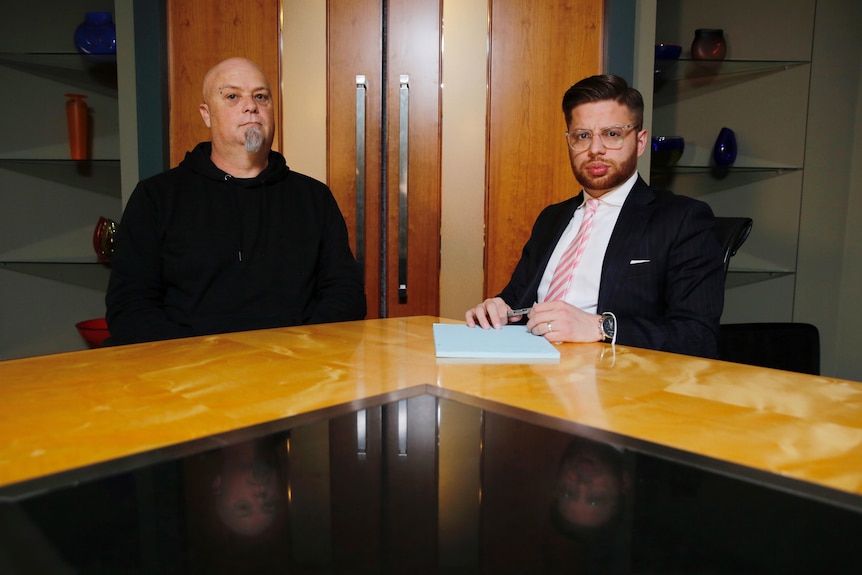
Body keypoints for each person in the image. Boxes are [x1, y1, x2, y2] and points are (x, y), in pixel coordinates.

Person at [106, 57, 366, 345]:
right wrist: (199, 360)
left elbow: (346, 296)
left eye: (261, 97)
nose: (251, 106)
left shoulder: (314, 198)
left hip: (295, 368)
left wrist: (300, 348)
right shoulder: (156, 198)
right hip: (189, 376)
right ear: (207, 114)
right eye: (232, 96)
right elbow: (130, 308)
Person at [466, 74, 724, 358]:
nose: (595, 149)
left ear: (639, 142)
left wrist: (602, 327)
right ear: (569, 142)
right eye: (582, 136)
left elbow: (698, 336)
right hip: (530, 373)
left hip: (616, 386)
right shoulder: (552, 218)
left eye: (612, 134)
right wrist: (498, 308)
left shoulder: (682, 219)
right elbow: (517, 300)